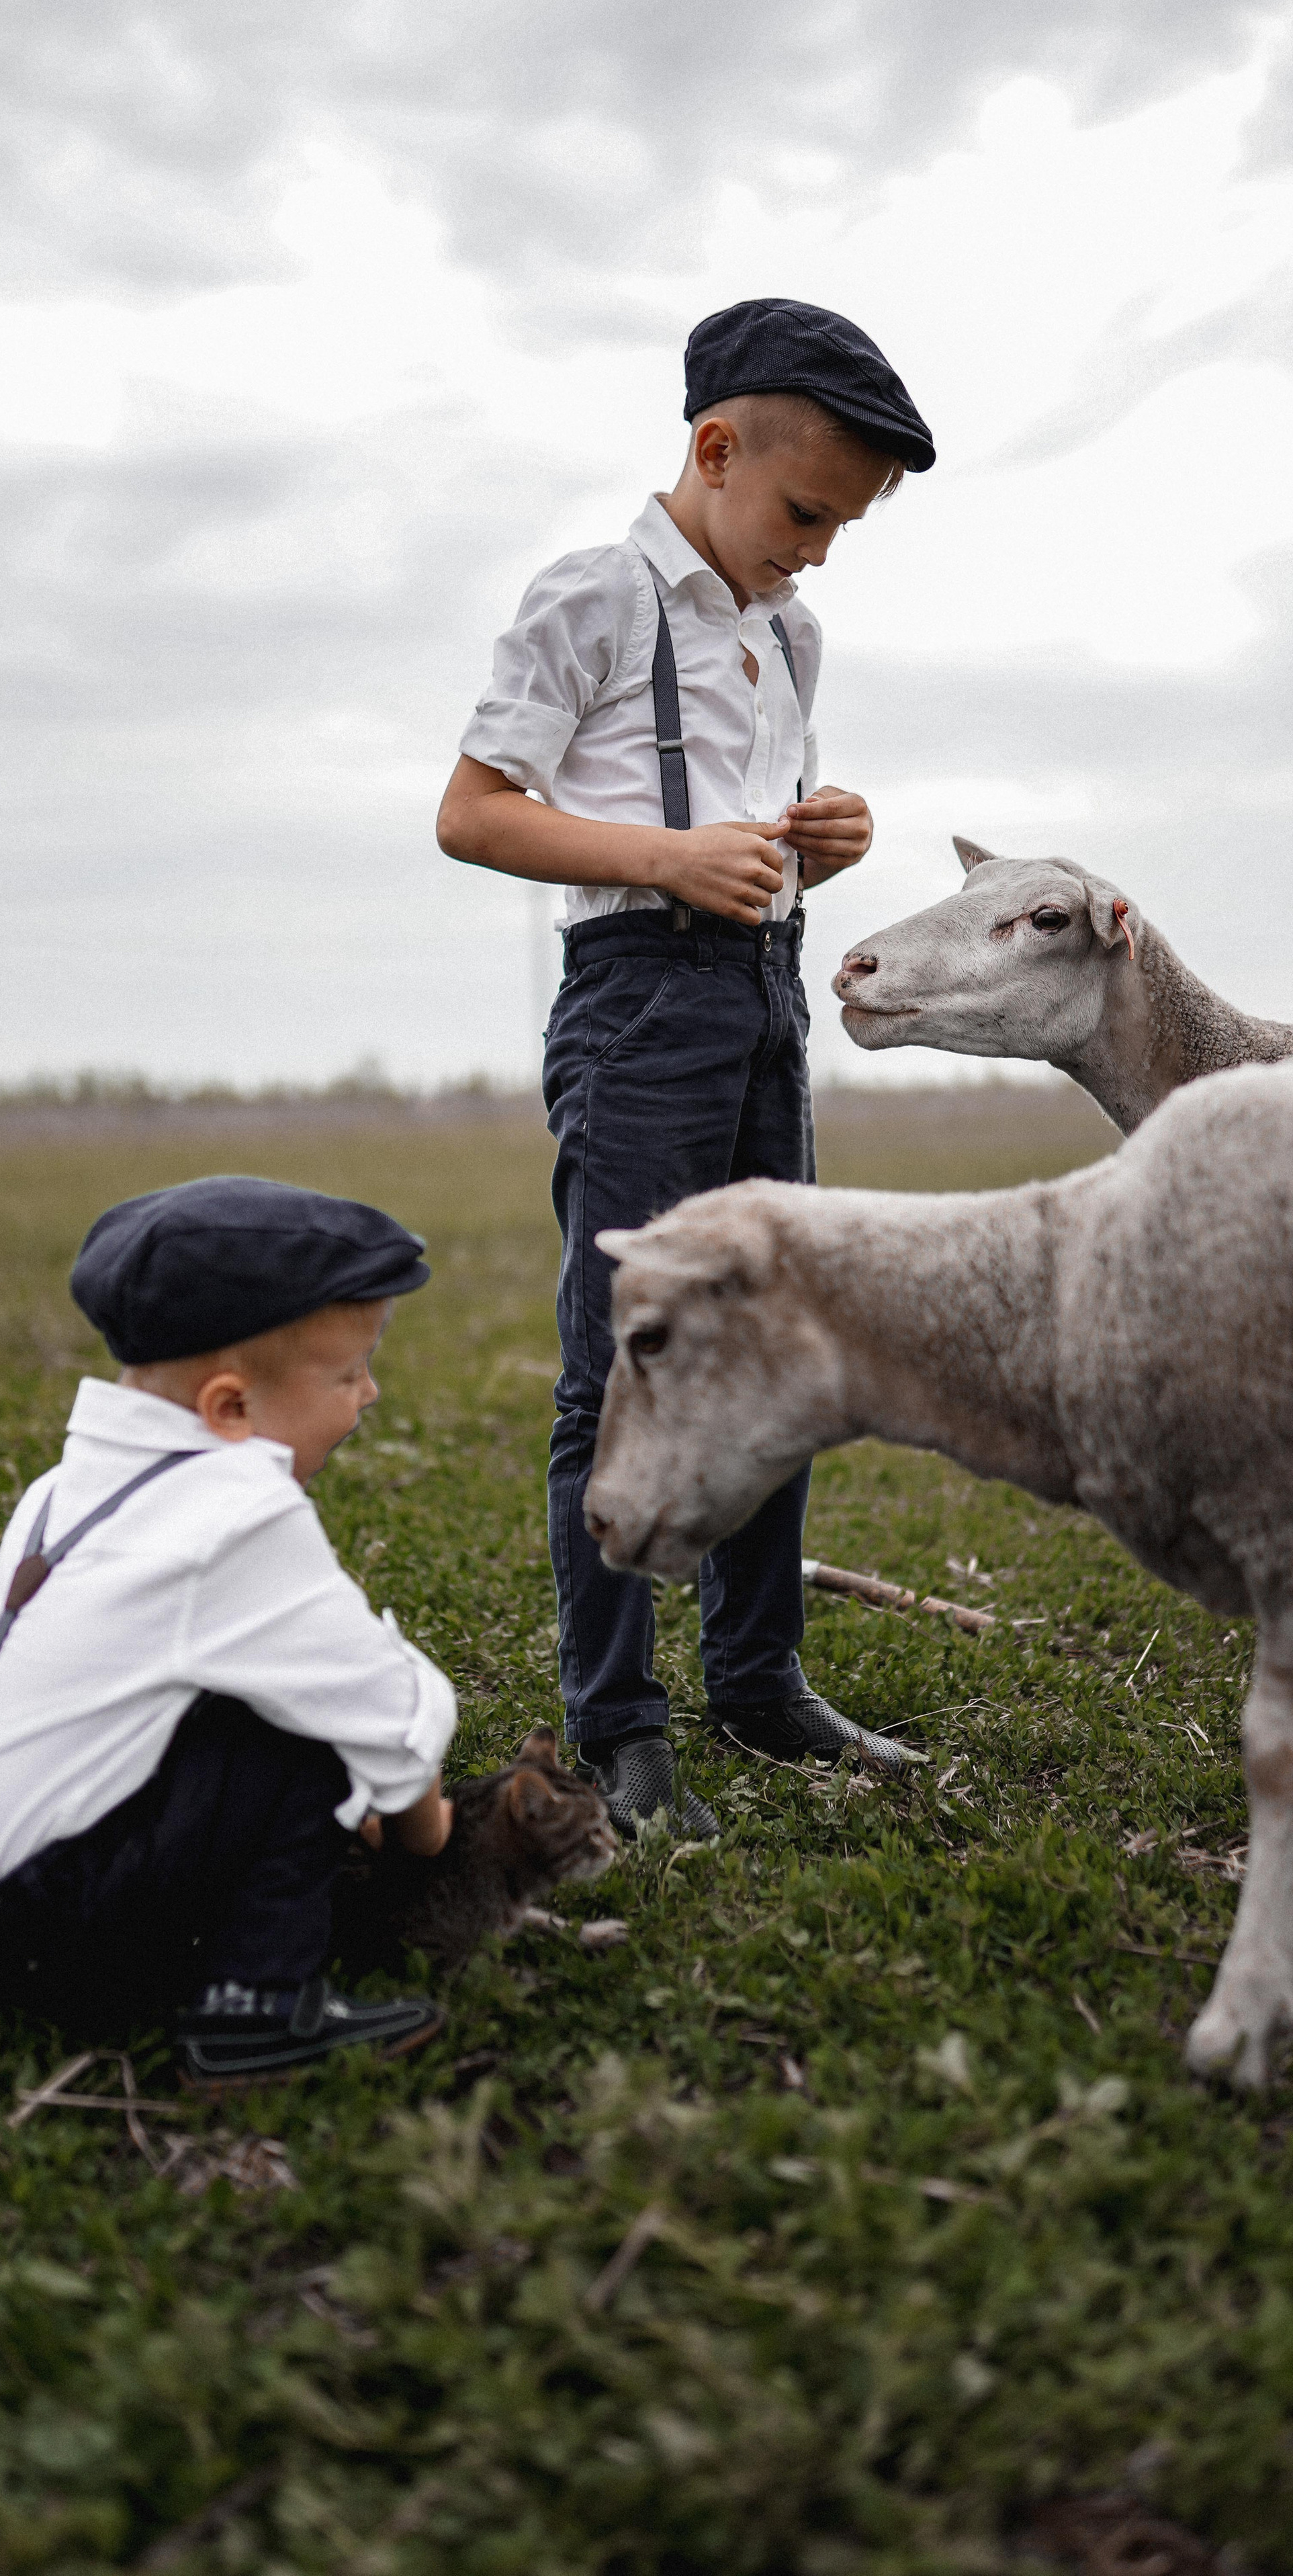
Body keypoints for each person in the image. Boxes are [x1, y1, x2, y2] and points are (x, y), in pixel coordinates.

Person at [438, 296, 936, 1839]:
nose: (818, 549)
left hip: (763, 1005)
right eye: (804, 511)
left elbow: (754, 832)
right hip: (636, 1008)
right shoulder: (589, 596)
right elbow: (471, 810)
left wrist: (819, 839)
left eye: (844, 526)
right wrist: (666, 856)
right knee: (628, 1357)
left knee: (771, 1341)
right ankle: (618, 1721)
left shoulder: (791, 635)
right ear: (714, 449)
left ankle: (758, 1678)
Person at [0, 1175, 458, 2088]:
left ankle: (198, 1921)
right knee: (303, 1736)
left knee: (242, 1702)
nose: (371, 1393)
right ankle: (256, 2011)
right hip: (54, 1928)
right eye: (348, 1376)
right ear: (229, 1409)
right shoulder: (236, 1514)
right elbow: (390, 1718)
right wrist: (427, 1834)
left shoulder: (62, 1489)